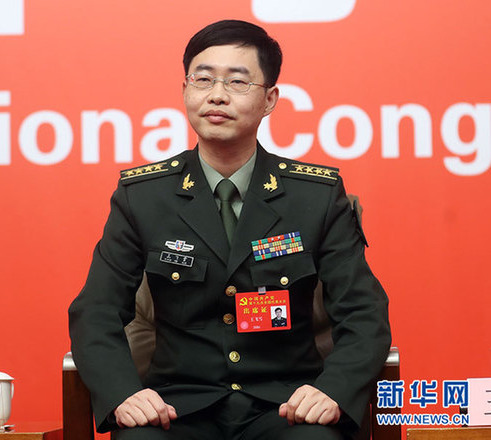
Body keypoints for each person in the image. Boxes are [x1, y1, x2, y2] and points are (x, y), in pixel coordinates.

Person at [69, 19, 391, 440]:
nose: (216, 95)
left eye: (237, 82)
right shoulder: (143, 197)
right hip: (178, 408)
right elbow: (95, 312)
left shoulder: (315, 196)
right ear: (185, 90)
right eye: (202, 79)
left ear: (270, 99)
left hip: (284, 407)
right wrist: (124, 394)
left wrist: (332, 390)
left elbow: (364, 313)